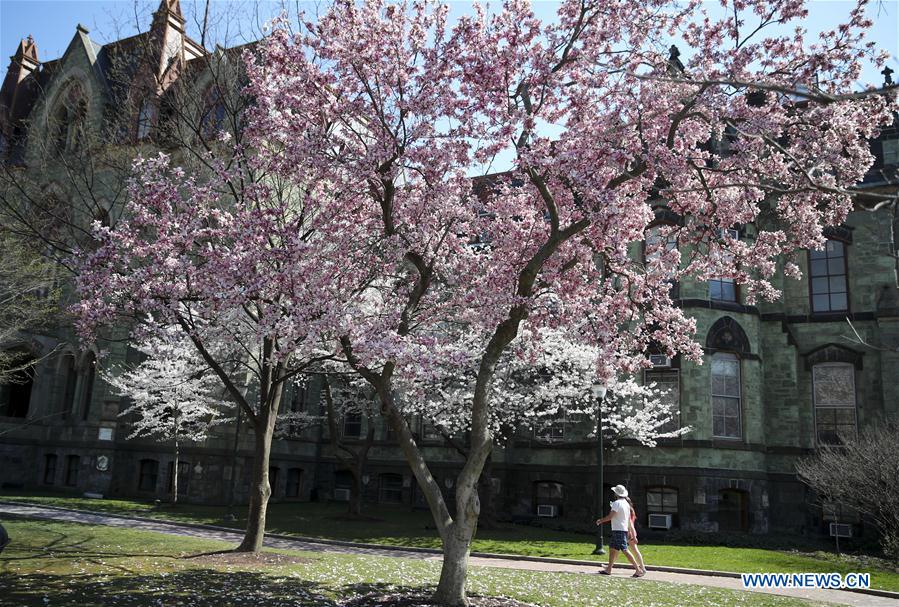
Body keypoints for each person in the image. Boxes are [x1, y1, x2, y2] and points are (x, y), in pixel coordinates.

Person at [595, 485, 644, 577]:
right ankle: (609, 569)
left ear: (616, 493)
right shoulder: (626, 504)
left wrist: (600, 521)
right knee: (612, 549)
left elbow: (610, 516)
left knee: (625, 550)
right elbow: (628, 520)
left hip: (618, 530)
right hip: (622, 529)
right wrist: (631, 532)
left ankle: (638, 570)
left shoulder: (616, 503)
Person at [625, 495, 647, 577]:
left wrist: (633, 536)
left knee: (634, 551)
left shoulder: (628, 511)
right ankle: (610, 565)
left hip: (629, 533)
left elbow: (630, 524)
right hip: (630, 532)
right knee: (616, 549)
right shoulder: (631, 510)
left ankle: (642, 568)